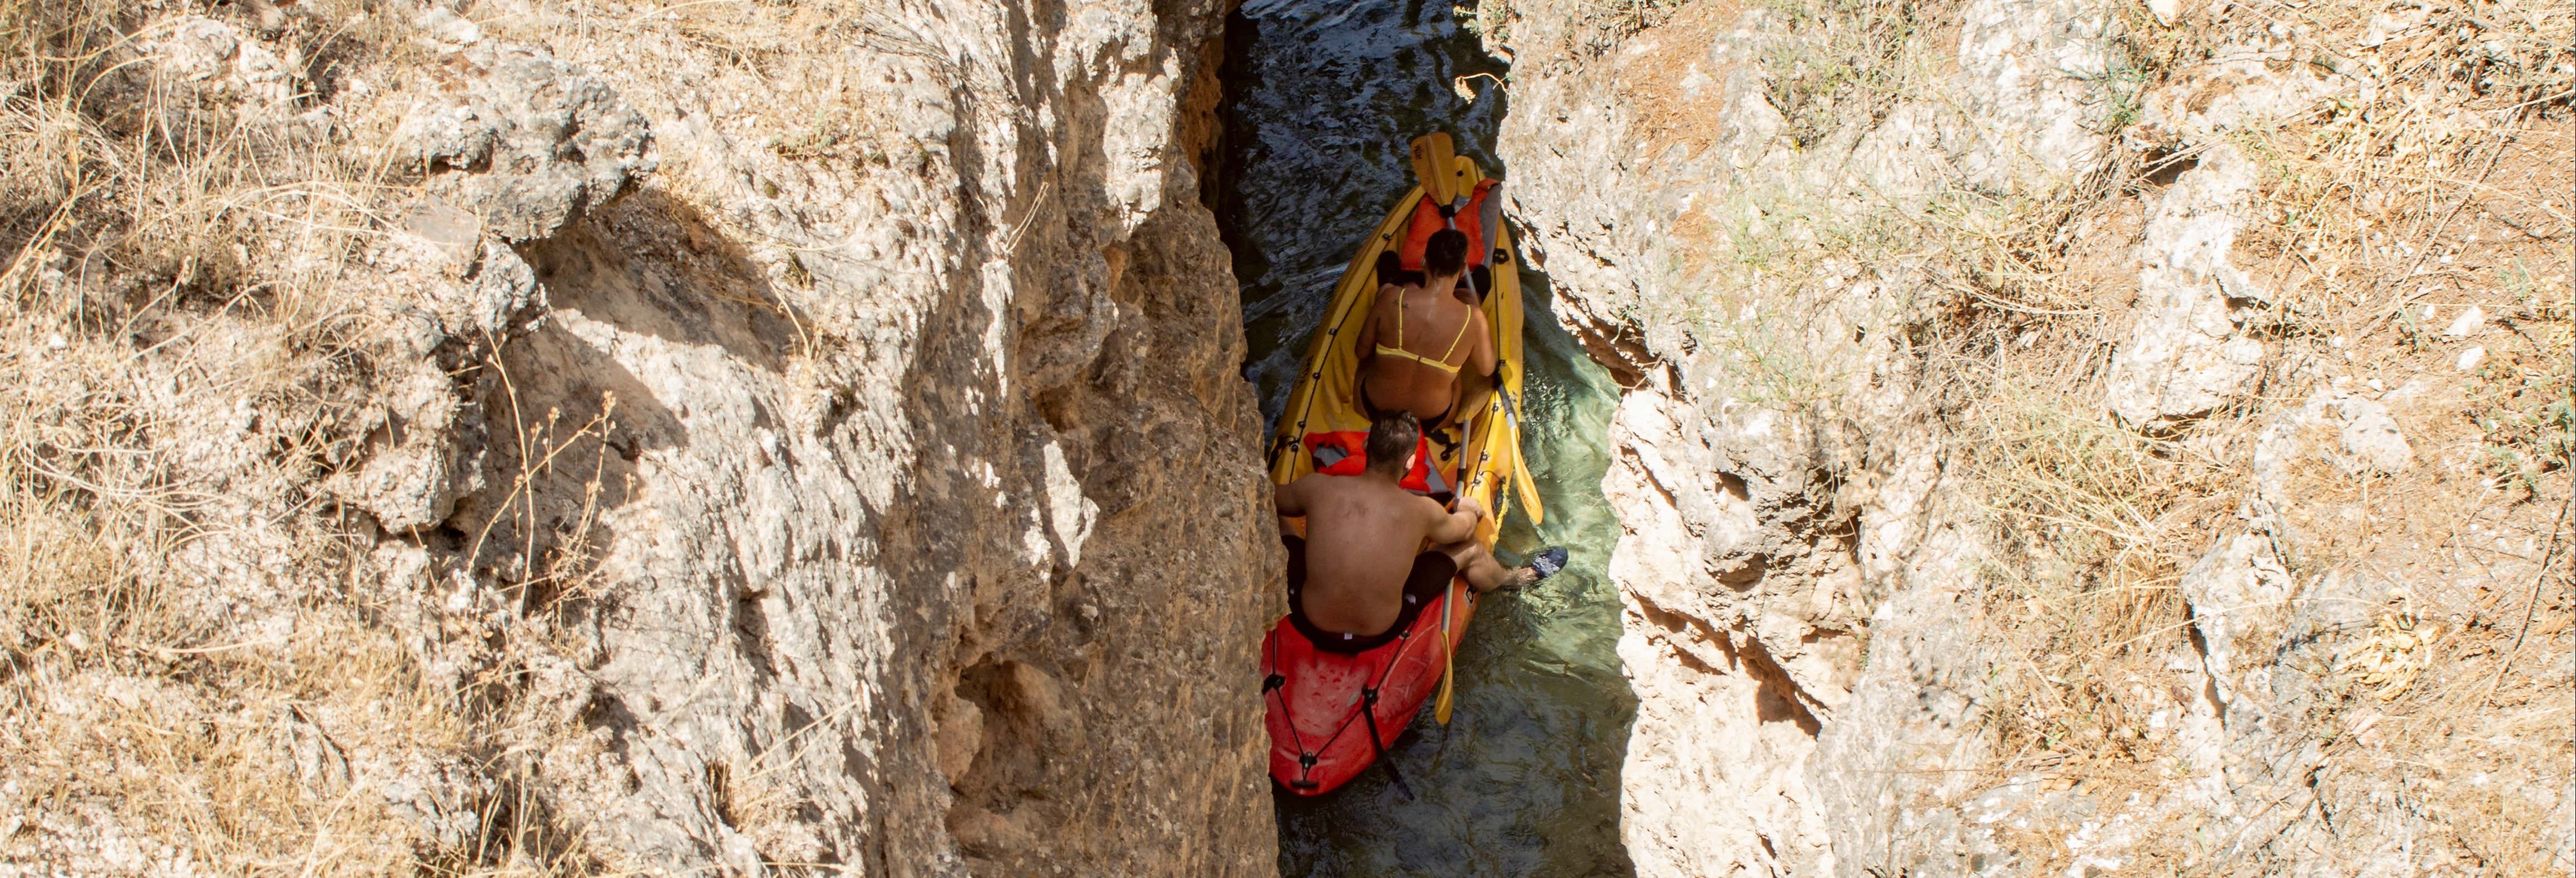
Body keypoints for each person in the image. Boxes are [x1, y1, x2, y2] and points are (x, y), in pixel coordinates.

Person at [1273, 413, 1567, 653]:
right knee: (1470, 549)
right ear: (1411, 463)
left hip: (1308, 618)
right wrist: (1469, 509)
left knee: (1277, 520)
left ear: (1365, 448)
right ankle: (1513, 580)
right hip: (1379, 631)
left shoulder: (1316, 488)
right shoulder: (1421, 510)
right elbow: (1462, 531)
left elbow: (1269, 498)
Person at [1356, 229, 1496, 431]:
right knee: (1454, 375)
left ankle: (1390, 280)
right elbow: (1487, 369)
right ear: (1464, 268)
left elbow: (1361, 352)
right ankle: (1467, 293)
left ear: (1424, 261)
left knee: (1386, 285)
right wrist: (1474, 305)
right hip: (1432, 420)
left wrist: (1388, 293)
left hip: (1374, 407)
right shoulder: (1473, 319)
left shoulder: (1392, 298)